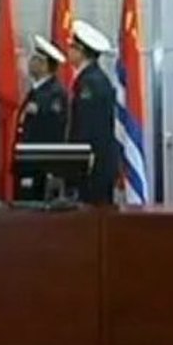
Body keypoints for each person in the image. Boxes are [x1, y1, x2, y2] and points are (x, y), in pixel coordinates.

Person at [67, 19, 117, 206]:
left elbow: (88, 126)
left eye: (72, 47)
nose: (68, 51)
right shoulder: (92, 78)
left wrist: (81, 158)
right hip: (94, 160)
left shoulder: (90, 82)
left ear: (81, 51)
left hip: (94, 162)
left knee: (92, 213)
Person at [16, 35, 69, 144]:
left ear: (44, 65)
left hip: (43, 151)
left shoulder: (55, 93)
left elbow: (52, 128)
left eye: (35, 59)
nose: (30, 62)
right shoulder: (36, 90)